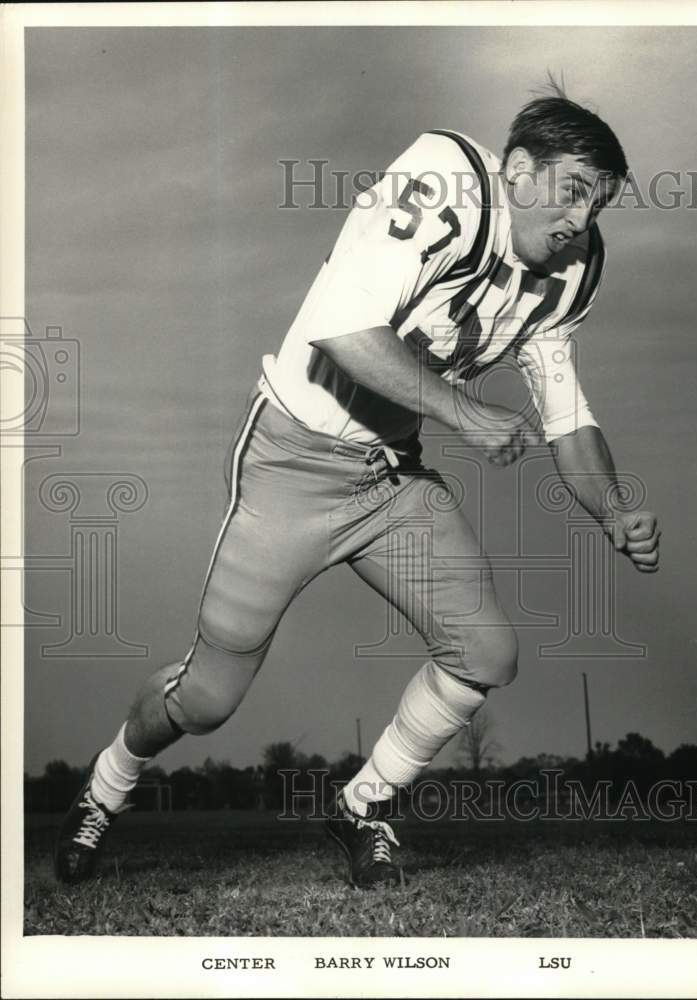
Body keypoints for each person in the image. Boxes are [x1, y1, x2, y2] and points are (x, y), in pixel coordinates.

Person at [55, 88, 660, 889]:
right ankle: (105, 789)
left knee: (486, 652)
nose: (584, 218)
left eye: (601, 202)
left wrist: (614, 508)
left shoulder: (570, 271)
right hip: (294, 464)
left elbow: (566, 414)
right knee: (205, 701)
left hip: (390, 481)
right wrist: (465, 415)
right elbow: (342, 331)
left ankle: (363, 804)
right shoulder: (446, 179)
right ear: (517, 169)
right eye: (575, 189)